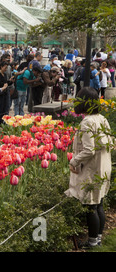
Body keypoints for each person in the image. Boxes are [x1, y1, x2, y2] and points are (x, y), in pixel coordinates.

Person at [65, 87, 112, 249]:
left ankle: (92, 243)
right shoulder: (101, 118)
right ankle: (97, 238)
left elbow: (89, 150)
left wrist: (74, 162)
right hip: (103, 165)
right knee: (99, 203)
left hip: (92, 168)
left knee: (91, 205)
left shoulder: (87, 122)